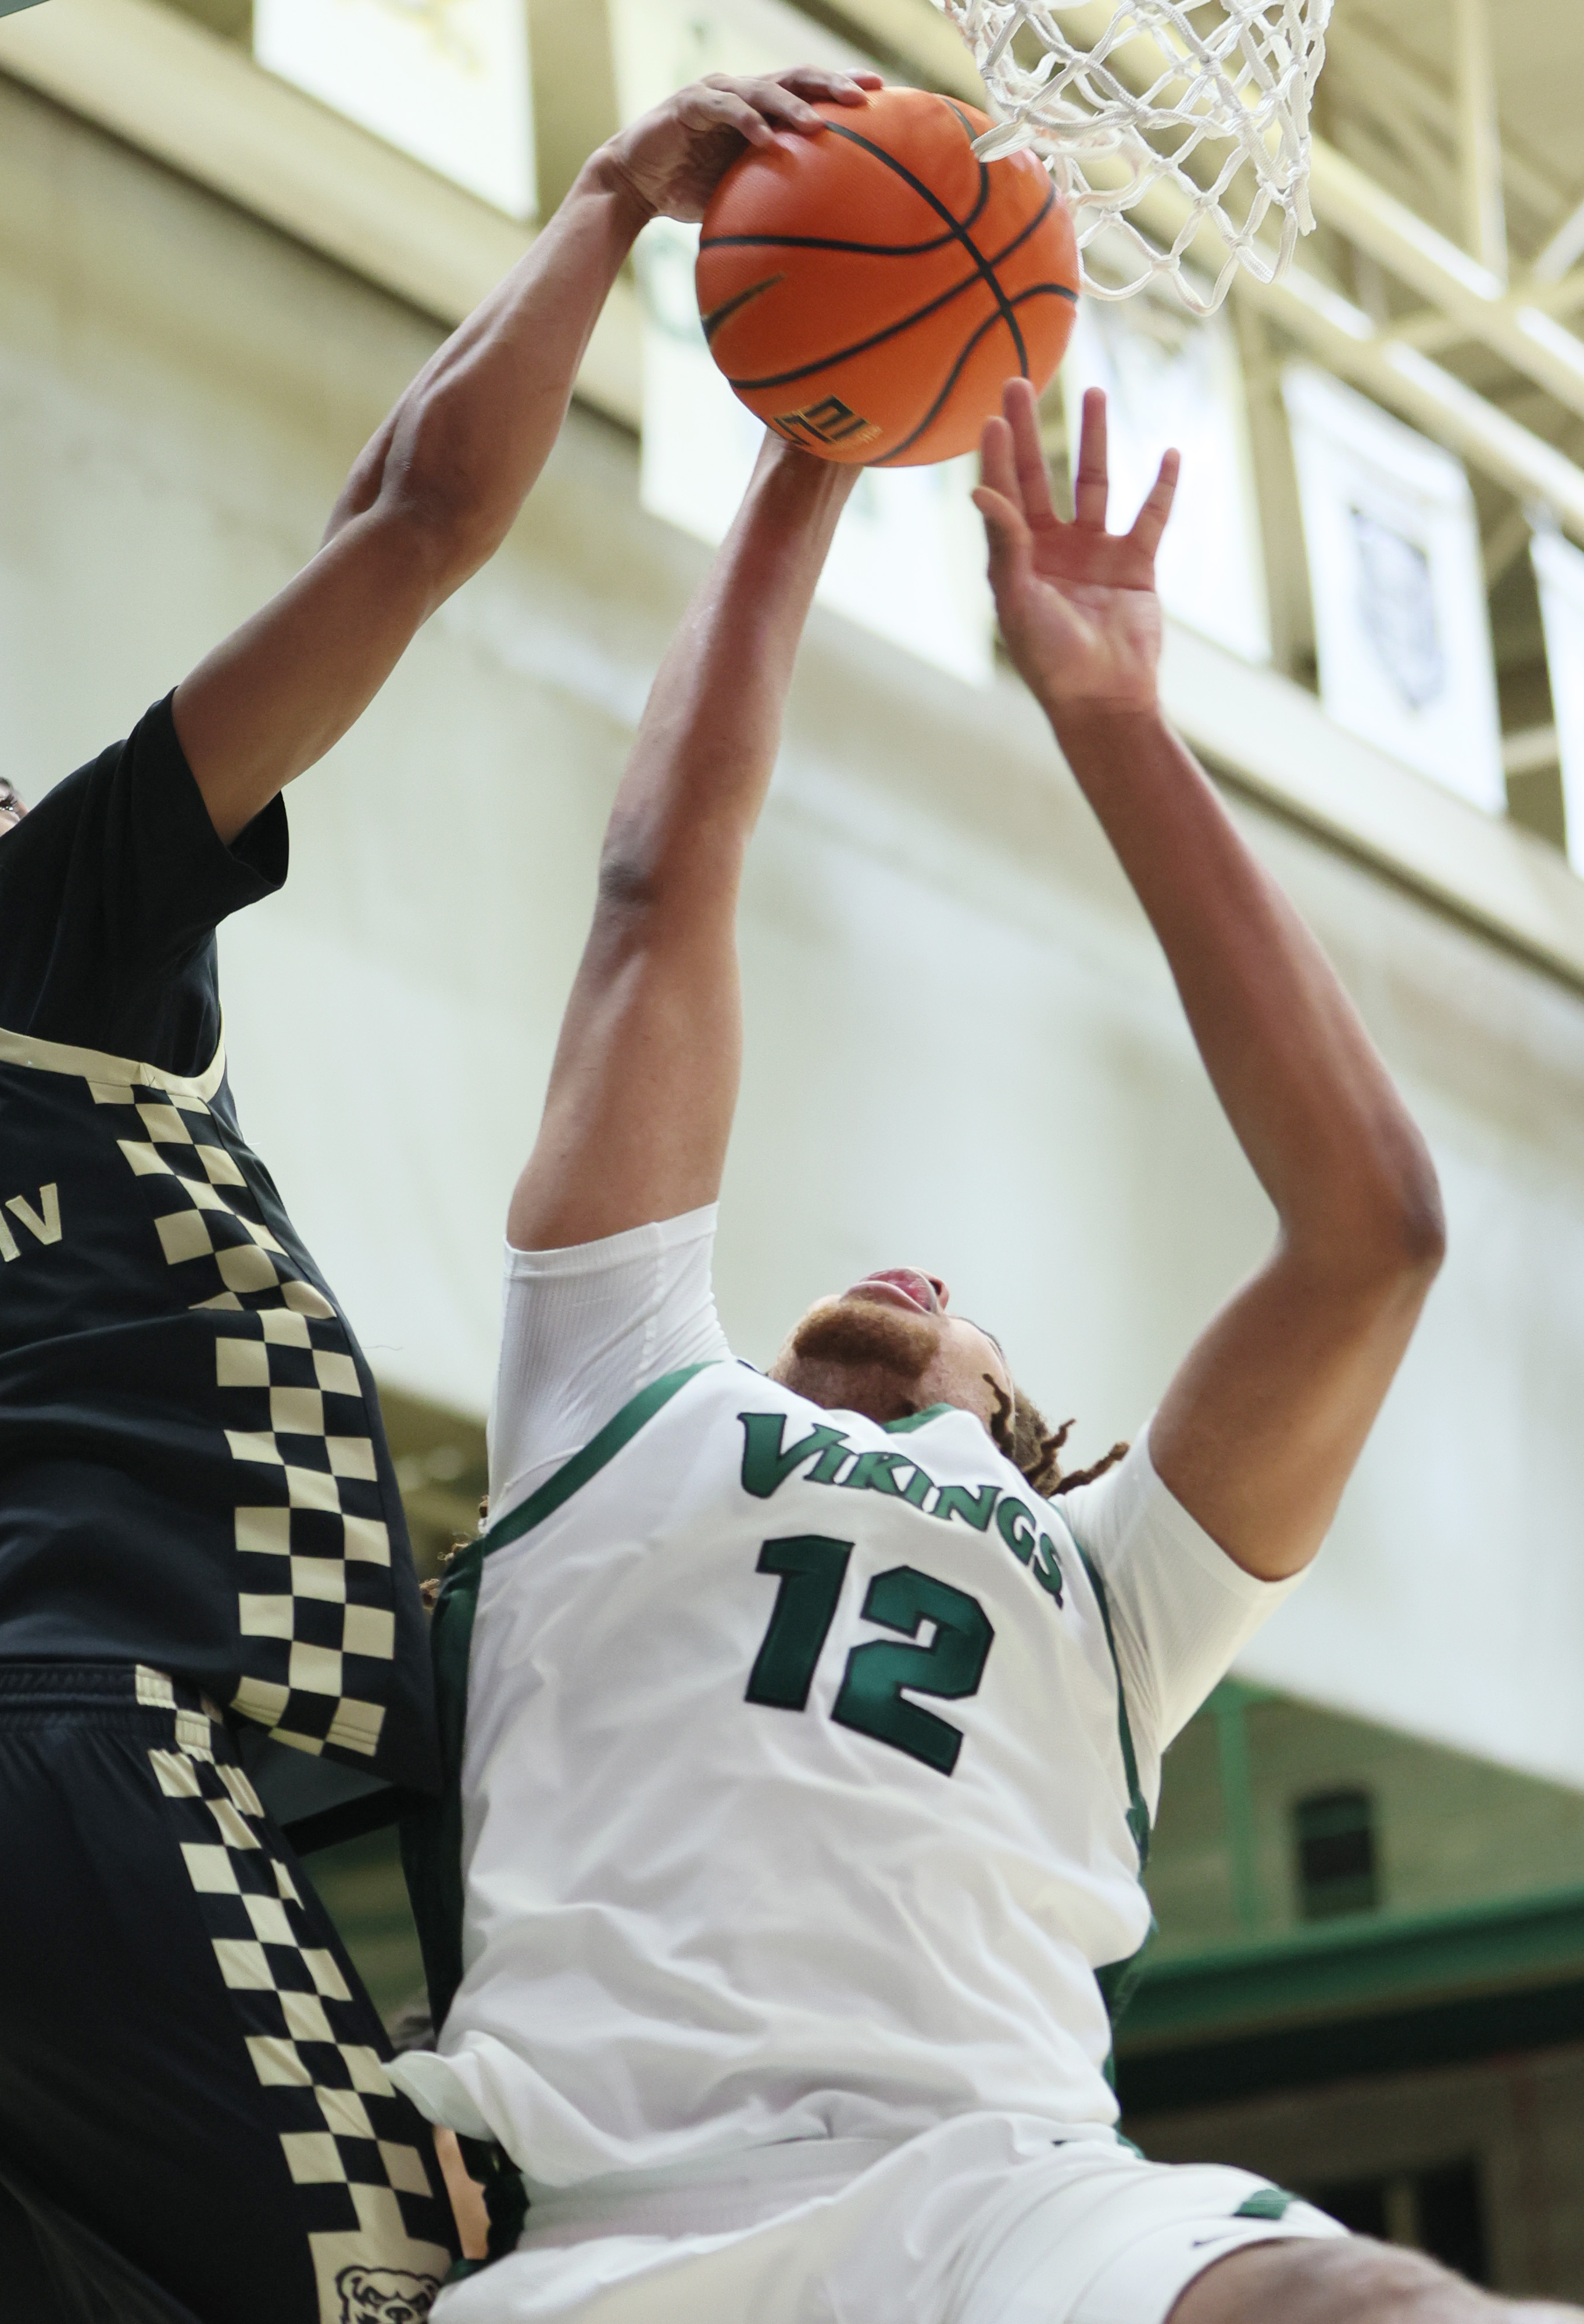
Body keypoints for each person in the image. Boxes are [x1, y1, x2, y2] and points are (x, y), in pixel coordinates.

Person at [0, 62, 882, 2324]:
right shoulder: (22, 953)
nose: (25, 798)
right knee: (422, 2285)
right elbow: (411, 523)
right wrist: (621, 193)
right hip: (70, 1776)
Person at [391, 392, 1572, 2324]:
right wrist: (808, 452)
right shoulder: (616, 1399)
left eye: (957, 1308)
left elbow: (1372, 1236)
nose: (909, 1277)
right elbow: (653, 890)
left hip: (1009, 2209)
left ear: (1033, 1433)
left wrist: (1112, 716)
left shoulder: (1117, 1591)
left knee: (1367, 2310)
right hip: (612, 2232)